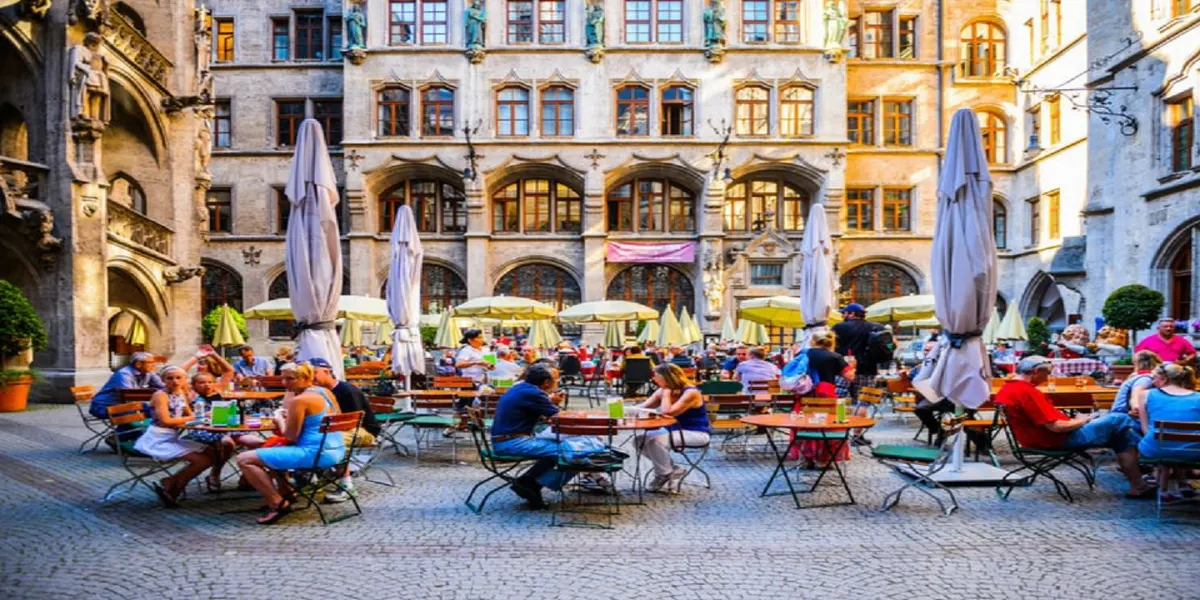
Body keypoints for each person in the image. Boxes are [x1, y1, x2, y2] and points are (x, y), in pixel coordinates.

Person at [995, 356, 1154, 498]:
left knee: (1122, 435)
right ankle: (1154, 449)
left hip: (1038, 437)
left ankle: (1138, 486)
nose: (1047, 377)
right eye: (1047, 373)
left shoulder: (1008, 388)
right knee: (1120, 419)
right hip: (1057, 439)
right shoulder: (1027, 392)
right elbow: (1056, 427)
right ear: (1036, 371)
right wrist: (1084, 420)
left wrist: (1077, 420)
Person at [236, 362, 345, 525]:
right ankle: (286, 493)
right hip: (336, 450)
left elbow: (291, 436)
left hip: (315, 453)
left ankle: (277, 503)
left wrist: (279, 419)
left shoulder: (300, 400)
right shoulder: (325, 392)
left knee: (243, 458)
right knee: (271, 448)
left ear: (306, 378)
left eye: (290, 379)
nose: (285, 383)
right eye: (283, 378)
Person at [490, 364, 603, 508]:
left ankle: (528, 481)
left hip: (505, 439)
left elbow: (539, 411)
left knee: (562, 448)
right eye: (555, 379)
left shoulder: (520, 388)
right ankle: (532, 483)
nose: (557, 382)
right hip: (512, 442)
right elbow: (558, 417)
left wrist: (550, 402)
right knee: (576, 451)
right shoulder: (534, 393)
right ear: (546, 382)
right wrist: (579, 415)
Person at [134, 365, 216, 507]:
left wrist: (202, 417)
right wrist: (198, 416)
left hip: (172, 436)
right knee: (203, 460)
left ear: (185, 380)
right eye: (170, 378)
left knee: (212, 453)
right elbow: (166, 421)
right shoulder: (160, 395)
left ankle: (172, 483)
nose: (175, 381)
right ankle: (174, 486)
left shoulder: (179, 393)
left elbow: (188, 415)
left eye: (179, 378)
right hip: (157, 438)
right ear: (163, 380)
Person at [634, 364, 711, 492]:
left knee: (656, 441)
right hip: (673, 431)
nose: (654, 379)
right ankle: (673, 470)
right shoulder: (663, 390)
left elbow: (668, 413)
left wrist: (665, 395)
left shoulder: (691, 392)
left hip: (696, 432)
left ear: (666, 378)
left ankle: (662, 475)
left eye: (656, 376)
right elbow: (643, 407)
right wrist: (624, 410)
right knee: (638, 440)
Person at [310, 357, 377, 503]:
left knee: (332, 441)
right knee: (307, 438)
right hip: (336, 428)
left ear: (327, 372)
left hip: (363, 430)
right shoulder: (317, 392)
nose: (311, 377)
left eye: (314, 373)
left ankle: (346, 486)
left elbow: (355, 420)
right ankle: (310, 477)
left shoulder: (346, 390)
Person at [1137, 363, 1200, 502]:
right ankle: (1181, 485)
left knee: (1164, 442)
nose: (1153, 382)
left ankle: (1163, 489)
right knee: (1178, 443)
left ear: (1164, 378)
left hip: (1156, 449)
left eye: (1155, 378)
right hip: (1195, 451)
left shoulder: (1146, 394)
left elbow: (1145, 429)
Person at [831, 302, 887, 398]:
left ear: (851, 314)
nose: (842, 316)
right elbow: (891, 345)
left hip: (844, 370)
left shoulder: (839, 327)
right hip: (869, 369)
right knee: (863, 402)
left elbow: (829, 347)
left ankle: (840, 413)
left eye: (844, 313)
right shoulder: (878, 327)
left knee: (839, 399)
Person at [89, 351, 165, 419]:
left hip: (123, 406)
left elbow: (162, 386)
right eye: (150, 362)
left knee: (161, 409)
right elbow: (129, 396)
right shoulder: (124, 374)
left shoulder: (148, 372)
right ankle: (125, 433)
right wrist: (155, 393)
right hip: (104, 407)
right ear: (138, 364)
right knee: (156, 411)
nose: (154, 365)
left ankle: (132, 432)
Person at [1112, 350, 1163, 415]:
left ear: (1138, 364)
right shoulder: (1145, 379)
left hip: (1121, 414)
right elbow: (1137, 394)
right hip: (1123, 416)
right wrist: (1136, 407)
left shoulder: (1143, 377)